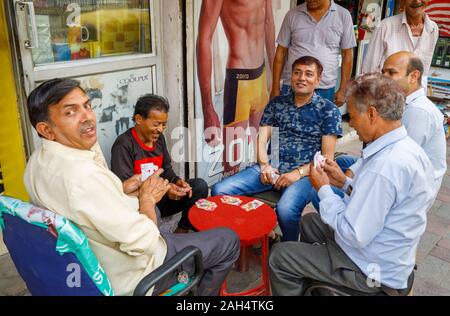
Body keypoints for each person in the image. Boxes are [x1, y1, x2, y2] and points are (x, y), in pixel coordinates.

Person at [23, 78, 240, 296]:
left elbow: (161, 171)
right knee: (228, 240)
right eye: (70, 112)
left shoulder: (37, 163)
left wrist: (163, 185)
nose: (87, 116)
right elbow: (144, 242)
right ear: (46, 129)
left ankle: (179, 237)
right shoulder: (93, 168)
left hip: (106, 249)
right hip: (137, 273)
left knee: (197, 187)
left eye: (87, 106)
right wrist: (146, 199)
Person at [269, 73, 435, 296]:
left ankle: (334, 277)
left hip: (372, 271)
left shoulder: (385, 166)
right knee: (310, 222)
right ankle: (319, 282)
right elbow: (382, 202)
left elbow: (354, 234)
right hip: (382, 250)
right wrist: (344, 182)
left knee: (280, 256)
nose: (352, 124)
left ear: (372, 114)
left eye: (354, 116)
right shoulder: (405, 148)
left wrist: (324, 189)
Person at [211, 56, 342, 242]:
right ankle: (257, 234)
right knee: (220, 190)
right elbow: (262, 138)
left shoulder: (328, 110)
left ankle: (288, 250)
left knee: (286, 210)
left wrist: (297, 173)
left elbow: (327, 158)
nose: (301, 78)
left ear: (318, 80)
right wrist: (264, 165)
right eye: (297, 73)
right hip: (271, 168)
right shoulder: (277, 103)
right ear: (291, 77)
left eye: (308, 74)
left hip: (306, 175)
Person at [312, 51, 447, 209]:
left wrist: (342, 185)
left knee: (320, 194)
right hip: (394, 173)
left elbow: (395, 163)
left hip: (409, 191)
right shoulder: (402, 103)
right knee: (342, 163)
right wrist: (346, 180)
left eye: (391, 72)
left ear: (414, 76)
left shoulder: (418, 112)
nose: (384, 77)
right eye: (383, 72)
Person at [196, 0, 275, 176]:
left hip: (261, 78)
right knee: (232, 164)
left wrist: (276, 78)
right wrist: (207, 108)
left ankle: (256, 202)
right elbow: (203, 40)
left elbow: (268, 22)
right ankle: (229, 200)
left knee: (263, 156)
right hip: (239, 82)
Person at [111, 94, 208, 233]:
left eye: (163, 125)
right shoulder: (124, 145)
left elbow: (166, 168)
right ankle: (160, 242)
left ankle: (182, 229)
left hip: (162, 198)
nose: (161, 129)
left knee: (199, 187)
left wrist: (177, 181)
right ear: (138, 119)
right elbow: (126, 189)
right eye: (156, 124)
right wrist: (165, 189)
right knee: (153, 211)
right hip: (142, 204)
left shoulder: (159, 139)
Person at [271, 0, 356, 106]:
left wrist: (343, 90)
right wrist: (275, 87)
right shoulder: (292, 15)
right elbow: (281, 52)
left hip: (324, 89)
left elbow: (347, 55)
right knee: (287, 122)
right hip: (293, 87)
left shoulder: (343, 15)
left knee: (322, 122)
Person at [362, 0, 438, 87]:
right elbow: (369, 69)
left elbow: (424, 71)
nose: (417, 1)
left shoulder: (433, 29)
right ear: (402, 2)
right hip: (386, 94)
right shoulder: (386, 26)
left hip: (416, 95)